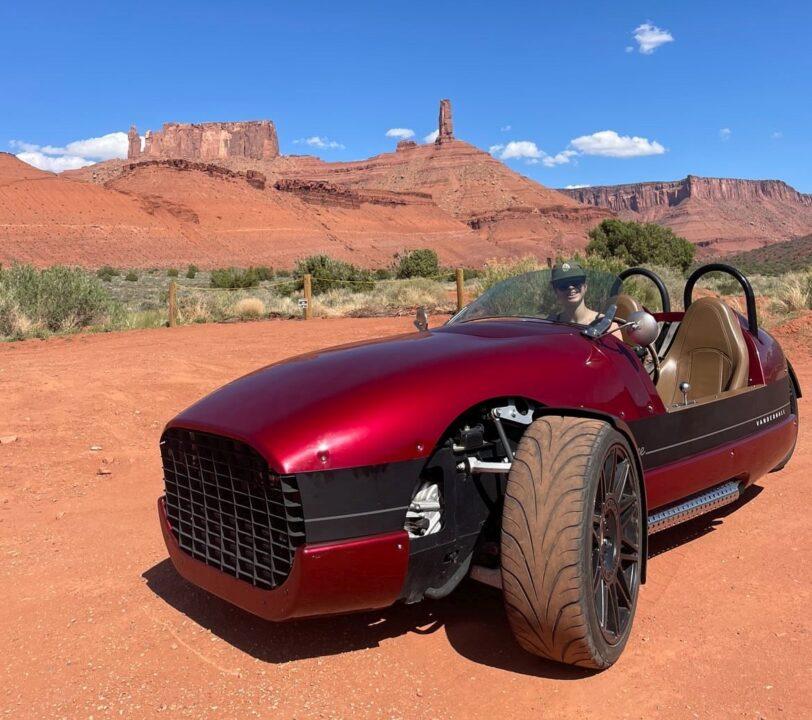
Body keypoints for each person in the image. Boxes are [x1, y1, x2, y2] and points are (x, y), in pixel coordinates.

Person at [548, 261, 602, 325]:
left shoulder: (604, 323)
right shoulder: (550, 324)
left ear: (585, 286)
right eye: (563, 284)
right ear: (556, 291)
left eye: (576, 282)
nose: (570, 287)